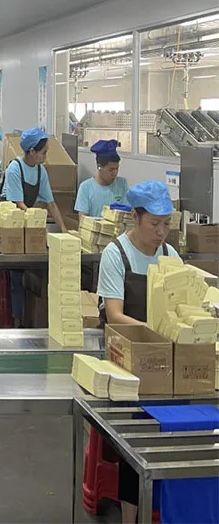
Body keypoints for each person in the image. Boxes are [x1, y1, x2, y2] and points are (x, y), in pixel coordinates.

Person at [97, 180, 178, 523]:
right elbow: (115, 315)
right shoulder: (116, 254)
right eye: (154, 223)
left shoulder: (170, 256)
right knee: (136, 437)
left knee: (179, 428)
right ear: (135, 217)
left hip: (164, 362)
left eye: (166, 224)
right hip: (126, 360)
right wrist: (154, 331)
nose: (161, 233)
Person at [0, 127, 67, 328]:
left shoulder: (41, 172)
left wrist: (64, 230)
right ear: (32, 151)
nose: (46, 156)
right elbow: (19, 203)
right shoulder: (15, 168)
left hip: (25, 228)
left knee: (18, 277)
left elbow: (51, 204)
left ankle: (18, 323)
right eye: (44, 152)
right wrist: (37, 225)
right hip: (5, 227)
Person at [75, 139, 129, 219]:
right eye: (111, 170)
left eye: (117, 168)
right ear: (99, 167)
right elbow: (83, 219)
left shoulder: (122, 184)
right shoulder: (86, 187)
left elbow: (127, 214)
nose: (115, 173)